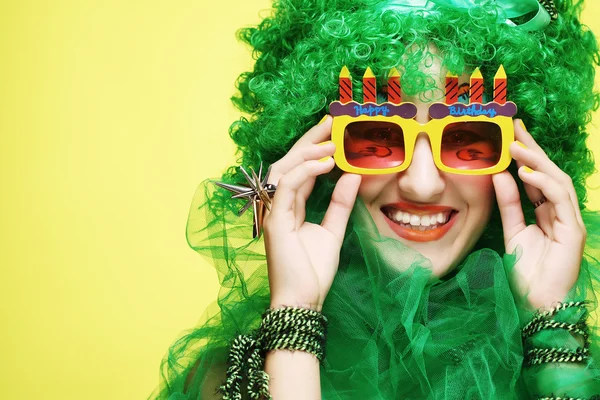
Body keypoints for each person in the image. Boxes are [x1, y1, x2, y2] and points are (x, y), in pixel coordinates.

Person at [150, 0, 600, 398]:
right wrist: (294, 319)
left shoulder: (579, 368)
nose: (421, 185)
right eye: (376, 135)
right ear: (320, 151)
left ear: (524, 160)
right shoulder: (233, 383)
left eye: (468, 138)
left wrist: (552, 330)